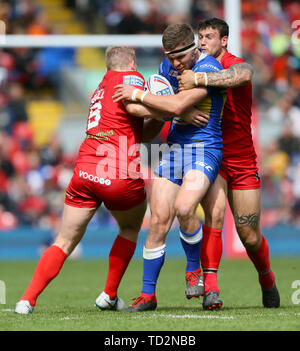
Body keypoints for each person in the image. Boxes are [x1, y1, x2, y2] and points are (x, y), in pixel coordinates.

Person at [14, 46, 207, 315]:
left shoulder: (100, 87)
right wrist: (177, 109)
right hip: (116, 170)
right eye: (135, 62)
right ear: (129, 62)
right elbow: (134, 106)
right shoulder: (131, 78)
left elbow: (139, 132)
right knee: (130, 227)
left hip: (85, 168)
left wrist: (162, 115)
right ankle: (109, 294)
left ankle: (26, 300)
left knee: (64, 240)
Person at [113, 23, 226, 312]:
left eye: (179, 58)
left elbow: (172, 107)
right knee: (158, 220)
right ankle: (147, 296)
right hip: (174, 147)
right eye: (170, 57)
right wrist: (169, 108)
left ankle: (193, 271)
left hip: (205, 148)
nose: (174, 64)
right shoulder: (168, 65)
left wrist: (140, 97)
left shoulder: (210, 67)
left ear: (195, 49)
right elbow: (161, 109)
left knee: (185, 208)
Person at [178, 18, 280, 309]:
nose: (202, 42)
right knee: (215, 218)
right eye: (200, 37)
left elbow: (243, 76)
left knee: (249, 235)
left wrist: (200, 80)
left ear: (224, 41)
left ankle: (267, 278)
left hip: (243, 158)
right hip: (213, 155)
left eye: (209, 36)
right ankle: (211, 289)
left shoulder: (235, 63)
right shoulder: (192, 68)